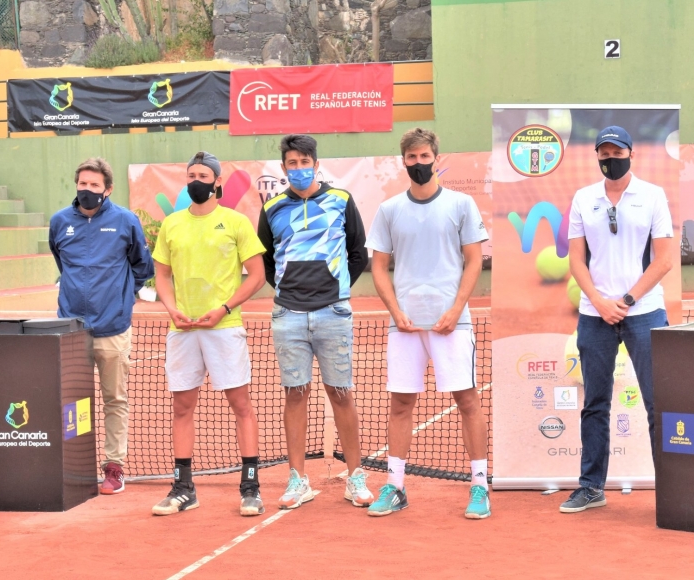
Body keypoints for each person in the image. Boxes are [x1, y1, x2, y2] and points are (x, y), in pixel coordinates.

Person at [367, 128, 491, 519]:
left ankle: (479, 487)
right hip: (404, 326)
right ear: (402, 161)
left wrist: (456, 310)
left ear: (436, 158)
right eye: (411, 158)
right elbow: (379, 268)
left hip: (451, 324)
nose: (418, 164)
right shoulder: (389, 210)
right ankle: (395, 487)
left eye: (424, 157)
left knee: (467, 401)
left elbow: (474, 260)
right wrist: (394, 310)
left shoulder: (461, 204)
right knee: (401, 404)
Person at [257, 134, 373, 510]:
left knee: (341, 394)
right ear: (283, 168)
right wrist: (291, 289)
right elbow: (267, 263)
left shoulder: (341, 201)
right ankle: (297, 480)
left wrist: (334, 288)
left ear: (316, 164)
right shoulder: (272, 208)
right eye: (292, 163)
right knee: (295, 394)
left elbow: (358, 253)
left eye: (305, 161)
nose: (299, 168)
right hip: (287, 314)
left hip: (333, 312)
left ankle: (355, 478)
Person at [561, 126, 673, 513]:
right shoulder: (582, 198)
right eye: (603, 152)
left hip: (645, 313)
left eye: (617, 151)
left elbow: (664, 260)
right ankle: (591, 486)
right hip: (595, 316)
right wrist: (599, 301)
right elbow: (576, 258)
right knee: (594, 403)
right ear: (596, 157)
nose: (610, 158)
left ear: (631, 154)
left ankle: (673, 490)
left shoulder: (653, 196)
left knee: (659, 404)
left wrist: (624, 301)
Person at [151, 151, 268, 517]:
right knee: (182, 407)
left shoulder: (235, 222)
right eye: (191, 175)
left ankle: (251, 488)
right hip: (182, 330)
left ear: (217, 182)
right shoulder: (171, 225)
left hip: (224, 328)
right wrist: (171, 309)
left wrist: (224, 309)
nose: (196, 181)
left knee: (241, 406)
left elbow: (257, 275)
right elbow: (162, 276)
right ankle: (183, 488)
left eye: (203, 175)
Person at [49, 157, 154, 496]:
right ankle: (73, 466)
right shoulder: (60, 222)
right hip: (70, 331)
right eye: (83, 184)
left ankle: (113, 467)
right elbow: (61, 261)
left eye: (95, 185)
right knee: (70, 401)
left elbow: (142, 265)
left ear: (107, 189)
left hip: (113, 328)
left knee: (114, 399)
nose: (88, 190)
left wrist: (123, 296)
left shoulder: (125, 221)